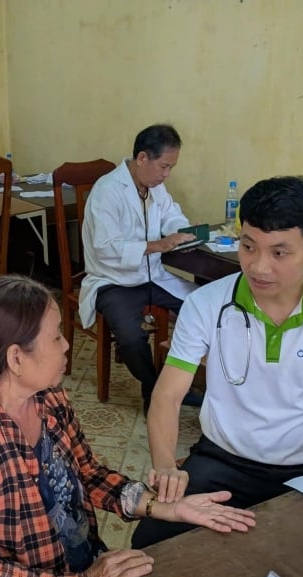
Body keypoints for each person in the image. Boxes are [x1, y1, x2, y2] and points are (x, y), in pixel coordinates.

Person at [0, 275, 256, 577]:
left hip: (81, 568)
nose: (66, 345)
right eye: (56, 336)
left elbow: (89, 474)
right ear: (16, 359)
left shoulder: (47, 397)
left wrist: (163, 506)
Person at [132, 176, 303, 548]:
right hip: (222, 460)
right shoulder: (206, 305)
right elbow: (168, 395)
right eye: (248, 246)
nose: (259, 267)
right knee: (151, 546)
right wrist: (166, 466)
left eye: (279, 253)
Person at [79, 124, 199, 413]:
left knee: (203, 307)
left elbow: (171, 215)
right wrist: (158, 245)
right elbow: (105, 248)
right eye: (164, 166)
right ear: (142, 158)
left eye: (171, 167)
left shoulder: (155, 187)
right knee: (132, 339)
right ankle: (159, 390)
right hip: (113, 281)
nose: (167, 174)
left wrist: (181, 233)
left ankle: (169, 386)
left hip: (151, 275)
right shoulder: (107, 191)